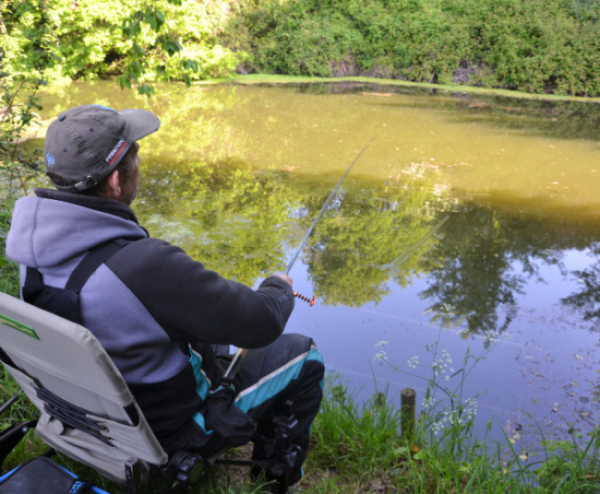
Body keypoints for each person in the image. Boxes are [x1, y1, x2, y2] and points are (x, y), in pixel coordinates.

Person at [6, 104, 324, 490]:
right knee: (305, 355)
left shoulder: (31, 252)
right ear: (115, 184)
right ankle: (274, 477)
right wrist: (277, 288)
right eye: (135, 156)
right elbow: (261, 324)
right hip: (170, 433)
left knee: (211, 330)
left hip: (93, 415)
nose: (140, 164)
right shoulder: (144, 265)